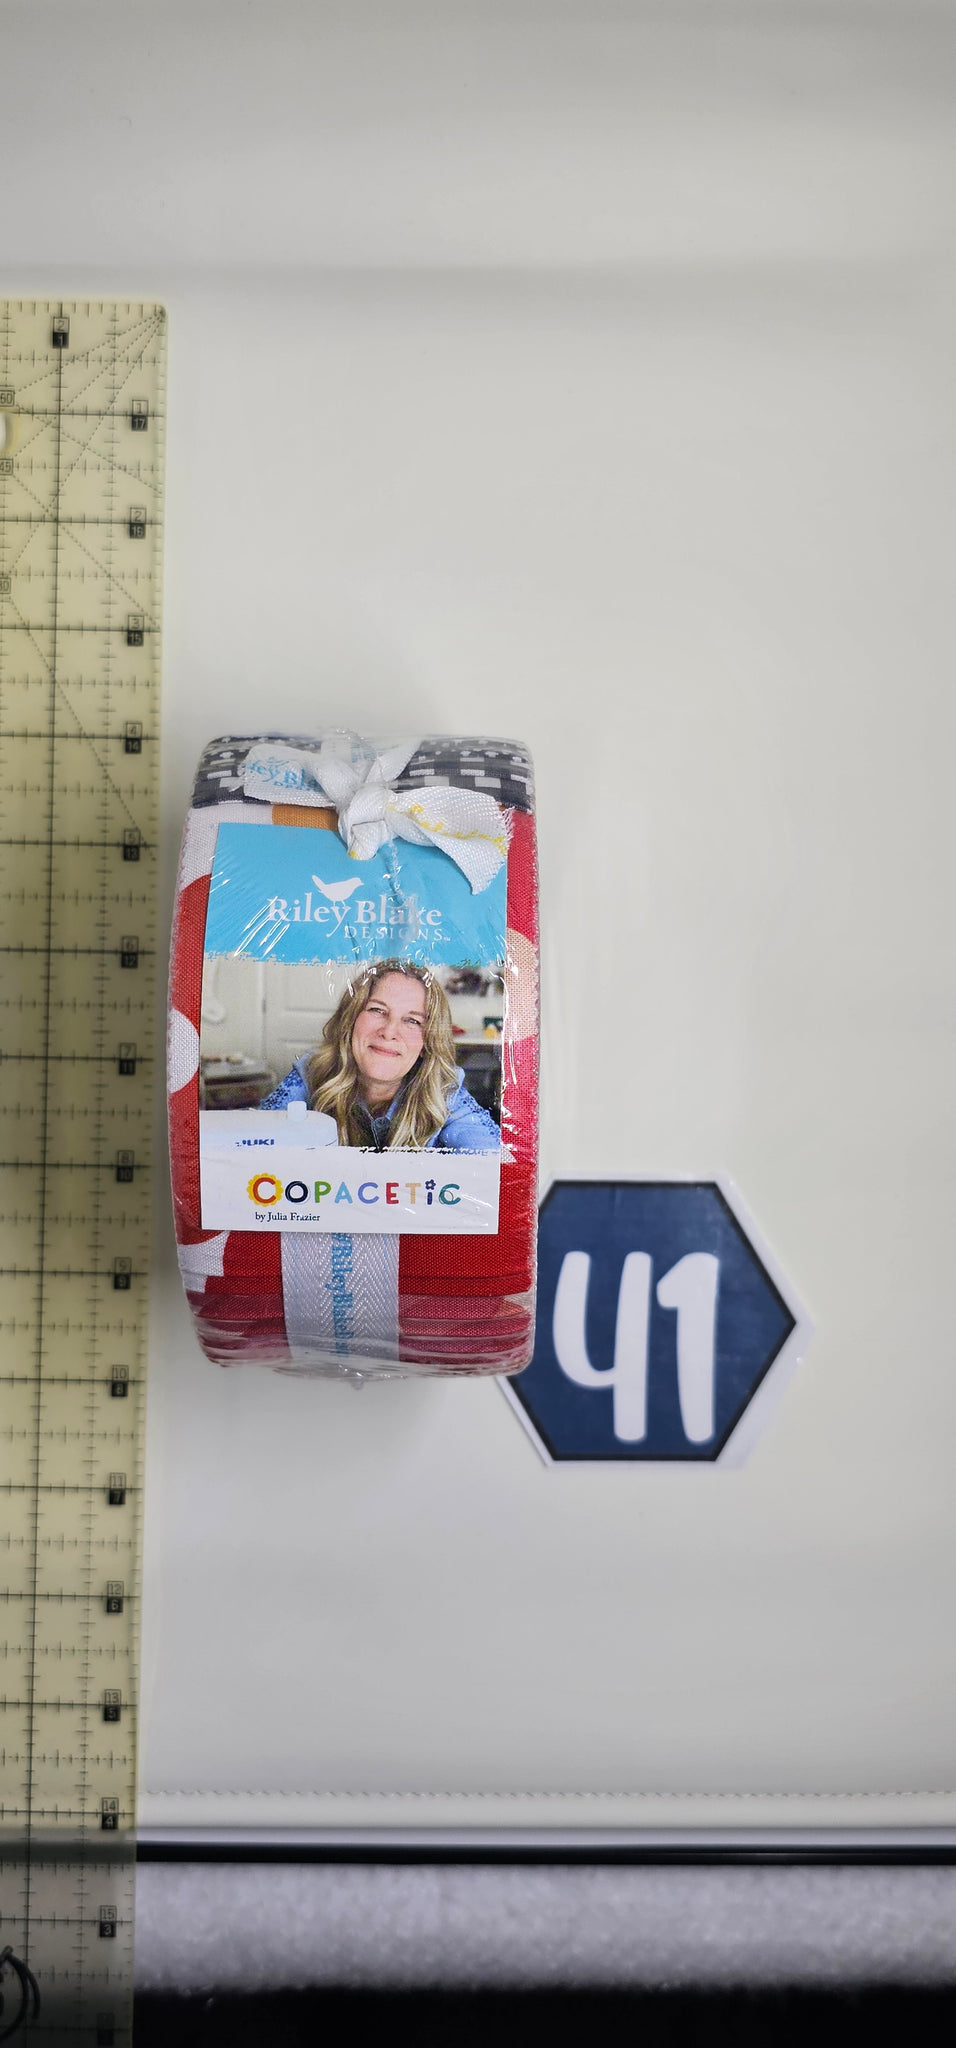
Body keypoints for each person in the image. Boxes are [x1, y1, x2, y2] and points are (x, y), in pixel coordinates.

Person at [258, 960, 500, 1152]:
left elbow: (498, 1163)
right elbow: (256, 1147)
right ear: (351, 1020)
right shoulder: (312, 1072)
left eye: (412, 1020)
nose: (389, 1032)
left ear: (427, 1042)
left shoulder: (444, 1089)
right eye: (377, 1010)